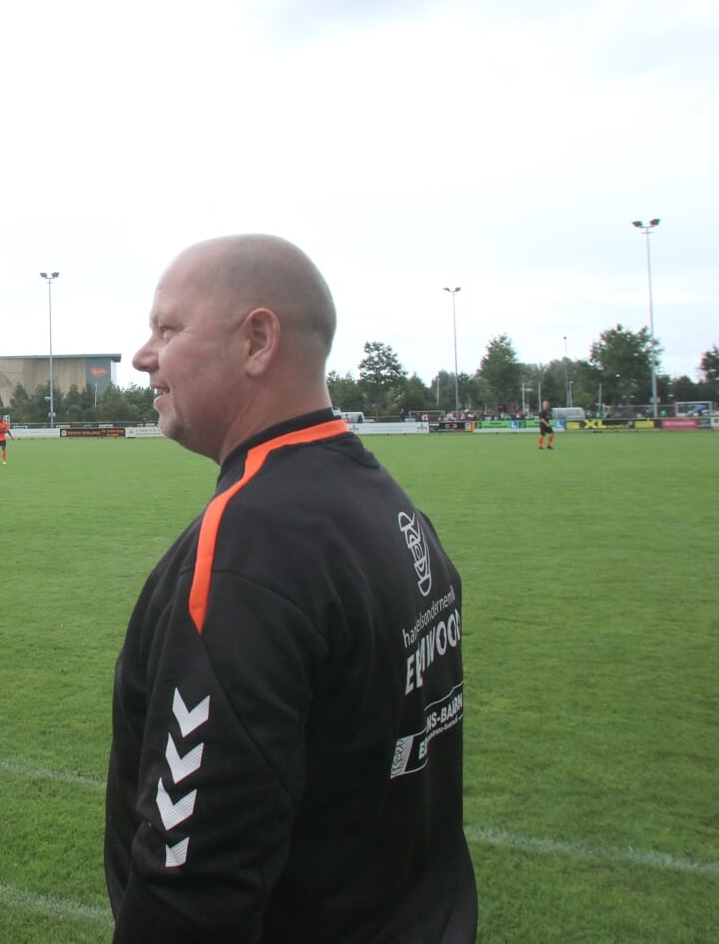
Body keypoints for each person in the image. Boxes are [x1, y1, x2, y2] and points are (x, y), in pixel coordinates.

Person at [106, 234, 475, 943]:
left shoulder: (249, 545)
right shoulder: (390, 506)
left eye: (167, 329)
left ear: (257, 340)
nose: (142, 356)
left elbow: (194, 889)